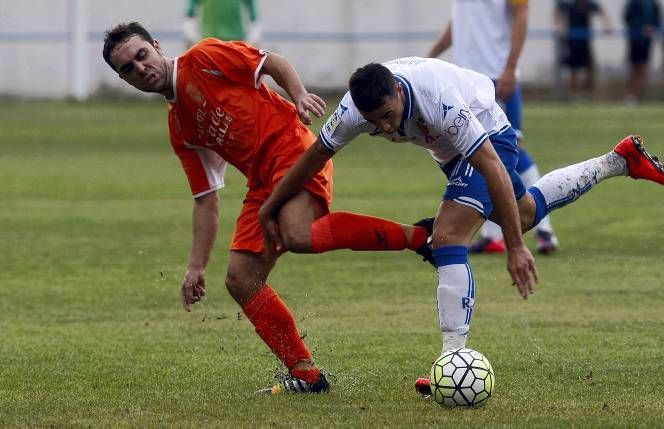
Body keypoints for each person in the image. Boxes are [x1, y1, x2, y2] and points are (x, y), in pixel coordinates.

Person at [257, 57, 664, 395]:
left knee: (449, 237)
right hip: (448, 153)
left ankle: (451, 362)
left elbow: (489, 162)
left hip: (488, 132)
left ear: (399, 93)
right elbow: (314, 158)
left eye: (388, 116)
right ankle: (617, 161)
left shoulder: (440, 101)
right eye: (375, 124)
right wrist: (271, 205)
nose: (384, 128)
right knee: (525, 212)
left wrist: (513, 247)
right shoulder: (353, 110)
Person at [101, 22, 433, 394]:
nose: (141, 68)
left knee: (297, 233)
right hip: (262, 182)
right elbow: (206, 199)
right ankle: (306, 374)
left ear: (156, 46)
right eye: (128, 68)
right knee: (241, 278)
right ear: (124, 79)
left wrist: (299, 95)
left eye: (142, 54)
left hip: (294, 150)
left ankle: (421, 236)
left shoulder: (203, 57)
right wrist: (195, 267)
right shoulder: (180, 126)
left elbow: (271, 62)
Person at [428, 0, 560, 255]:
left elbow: (522, 14)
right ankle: (492, 236)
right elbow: (462, 24)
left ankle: (545, 230)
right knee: (476, 153)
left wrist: (510, 68)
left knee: (513, 151)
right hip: (464, 79)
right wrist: (431, 57)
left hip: (495, 77)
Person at [553, 0, 613, 101]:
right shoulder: (569, 4)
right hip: (572, 41)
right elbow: (556, 13)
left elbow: (602, 12)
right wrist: (559, 26)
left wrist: (607, 25)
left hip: (585, 41)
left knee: (591, 68)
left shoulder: (588, 4)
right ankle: (574, 95)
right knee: (574, 70)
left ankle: (587, 92)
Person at [623, 0, 663, 104]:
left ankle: (637, 96)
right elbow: (627, 18)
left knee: (644, 68)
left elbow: (658, 19)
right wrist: (641, 27)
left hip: (647, 42)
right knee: (634, 68)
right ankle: (630, 95)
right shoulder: (633, 2)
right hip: (635, 41)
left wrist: (653, 27)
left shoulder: (653, 3)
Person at [183, 0, 261, 47]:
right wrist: (190, 32)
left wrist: (254, 33)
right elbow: (191, 13)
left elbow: (253, 14)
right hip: (209, 42)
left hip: (236, 42)